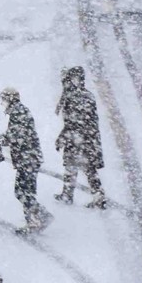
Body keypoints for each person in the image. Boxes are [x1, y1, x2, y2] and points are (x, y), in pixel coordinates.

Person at [0, 88, 52, 231]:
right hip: (28, 158)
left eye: (4, 100)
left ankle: (37, 218)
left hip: (28, 159)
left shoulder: (19, 113)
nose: (2, 103)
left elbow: (14, 135)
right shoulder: (18, 111)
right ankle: (36, 217)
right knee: (24, 191)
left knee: (23, 191)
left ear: (10, 99)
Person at [55, 66, 107, 209]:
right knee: (81, 167)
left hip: (80, 139)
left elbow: (74, 122)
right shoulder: (84, 95)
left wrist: (63, 137)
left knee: (81, 166)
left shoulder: (78, 97)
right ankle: (94, 196)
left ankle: (72, 194)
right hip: (85, 138)